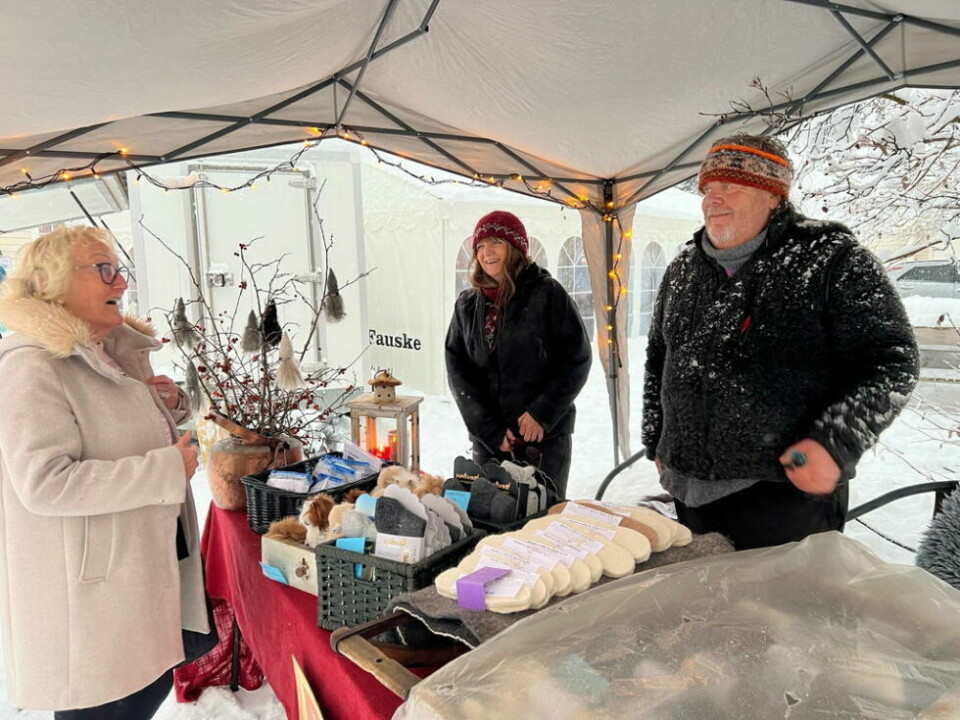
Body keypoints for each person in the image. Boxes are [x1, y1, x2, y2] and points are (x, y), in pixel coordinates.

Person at [642, 134, 919, 550]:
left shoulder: (832, 260)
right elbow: (659, 358)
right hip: (688, 492)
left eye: (730, 187)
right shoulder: (683, 267)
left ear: (773, 196)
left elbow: (892, 362)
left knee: (779, 615)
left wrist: (834, 444)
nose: (713, 200)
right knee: (706, 611)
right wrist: (656, 439)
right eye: (708, 189)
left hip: (784, 495)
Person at [0, 226, 210, 719]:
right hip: (91, 597)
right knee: (108, 708)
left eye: (120, 269)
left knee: (144, 691)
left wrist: (169, 405)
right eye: (104, 269)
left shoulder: (106, 349)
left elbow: (112, 429)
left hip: (133, 574)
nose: (120, 283)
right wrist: (164, 469)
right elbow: (45, 483)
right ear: (52, 283)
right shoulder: (31, 366)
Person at [445, 210, 592, 498]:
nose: (487, 252)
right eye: (481, 246)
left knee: (540, 526)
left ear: (515, 248)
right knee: (492, 525)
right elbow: (458, 373)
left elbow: (576, 359)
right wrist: (489, 430)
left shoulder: (547, 293)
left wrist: (542, 411)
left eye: (496, 242)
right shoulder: (467, 304)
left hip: (542, 444)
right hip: (490, 445)